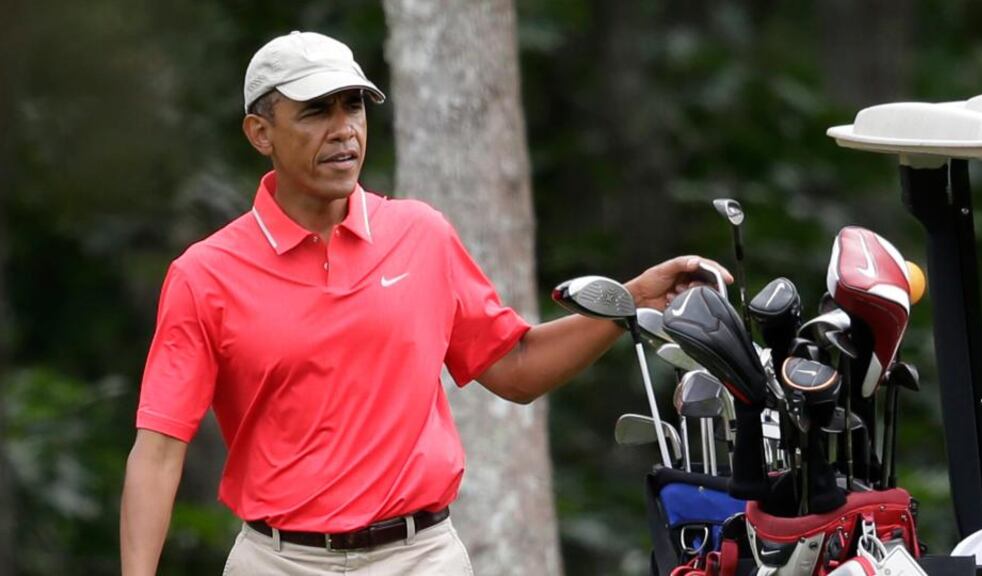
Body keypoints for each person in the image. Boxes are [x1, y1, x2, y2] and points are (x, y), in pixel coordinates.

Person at [119, 30, 732, 576]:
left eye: (352, 105)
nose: (343, 129)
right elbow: (158, 453)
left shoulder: (421, 235)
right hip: (277, 561)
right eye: (314, 112)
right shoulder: (206, 274)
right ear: (260, 133)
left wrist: (631, 299)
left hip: (421, 557)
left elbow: (515, 369)